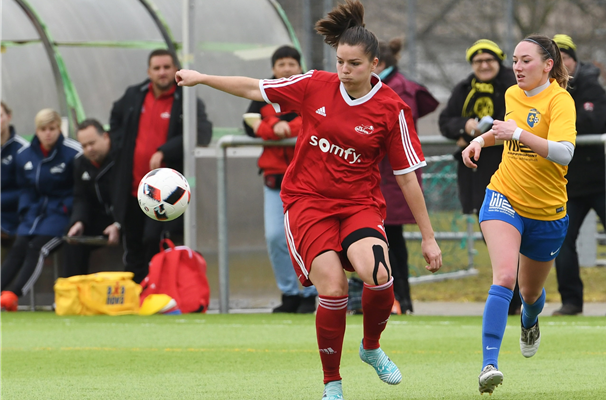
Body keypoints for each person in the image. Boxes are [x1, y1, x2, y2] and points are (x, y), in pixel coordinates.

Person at [175, 1, 442, 398]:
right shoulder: (315, 85)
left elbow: (407, 179)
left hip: (359, 204)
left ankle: (371, 348)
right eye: (340, 61)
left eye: (354, 64)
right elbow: (254, 88)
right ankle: (332, 382)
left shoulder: (392, 110)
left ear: (374, 64)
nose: (345, 70)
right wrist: (201, 77)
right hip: (308, 201)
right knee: (333, 288)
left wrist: (429, 236)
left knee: (380, 276)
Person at [461, 35, 576, 394]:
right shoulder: (512, 94)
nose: (517, 67)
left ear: (548, 65)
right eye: (514, 60)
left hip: (547, 211)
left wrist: (519, 133)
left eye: (525, 60)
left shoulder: (560, 100)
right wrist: (481, 140)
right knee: (505, 276)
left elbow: (563, 153)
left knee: (529, 293)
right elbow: (507, 133)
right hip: (503, 195)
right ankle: (488, 365)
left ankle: (529, 319)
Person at [552, 34, 606, 316]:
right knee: (562, 240)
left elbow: (590, 123)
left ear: (574, 61)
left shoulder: (591, 87)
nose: (562, 66)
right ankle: (571, 301)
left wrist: (556, 122)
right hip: (569, 183)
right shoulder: (544, 95)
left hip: (604, 178)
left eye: (565, 58)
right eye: (555, 60)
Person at [109, 49, 212, 284]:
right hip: (133, 186)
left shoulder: (186, 99)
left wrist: (165, 150)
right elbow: (114, 120)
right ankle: (137, 295)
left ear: (175, 69)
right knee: (133, 242)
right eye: (157, 68)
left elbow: (202, 133)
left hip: (165, 194)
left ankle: (158, 290)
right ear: (149, 72)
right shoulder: (134, 95)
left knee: (152, 239)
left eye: (167, 67)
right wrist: (120, 146)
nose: (162, 72)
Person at [438, 39, 522, 315]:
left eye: (489, 60)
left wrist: (482, 133)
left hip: (510, 171)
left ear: (499, 61)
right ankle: (510, 297)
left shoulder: (513, 86)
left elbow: (514, 120)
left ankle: (521, 296)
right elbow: (445, 121)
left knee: (517, 239)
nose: (484, 66)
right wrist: (465, 126)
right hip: (477, 176)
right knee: (494, 237)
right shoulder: (464, 89)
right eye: (478, 62)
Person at [243, 45, 318, 314]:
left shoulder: (310, 91)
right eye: (281, 64)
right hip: (275, 179)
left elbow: (314, 123)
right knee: (275, 236)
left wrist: (276, 127)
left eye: (291, 63)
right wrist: (274, 127)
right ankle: (289, 293)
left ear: (299, 67)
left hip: (308, 180)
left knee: (306, 237)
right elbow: (248, 124)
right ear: (273, 68)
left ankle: (310, 291)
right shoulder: (262, 93)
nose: (286, 68)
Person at [374, 38, 439, 314]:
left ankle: (400, 298)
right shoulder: (397, 85)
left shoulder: (397, 89)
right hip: (385, 174)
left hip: (391, 174)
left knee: (391, 238)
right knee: (387, 237)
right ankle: (397, 298)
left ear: (378, 63)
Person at [0, 109, 82, 311]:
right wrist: (25, 210)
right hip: (33, 215)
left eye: (52, 129)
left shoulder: (74, 152)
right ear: (36, 130)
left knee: (38, 247)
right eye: (43, 129)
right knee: (19, 245)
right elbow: (25, 188)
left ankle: (14, 294)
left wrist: (67, 210)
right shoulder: (25, 155)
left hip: (59, 215)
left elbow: (79, 190)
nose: (48, 134)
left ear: (58, 129)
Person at [65, 119, 121, 277]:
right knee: (73, 238)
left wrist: (118, 224)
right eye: (84, 146)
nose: (89, 149)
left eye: (92, 143)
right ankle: (73, 289)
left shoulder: (122, 159)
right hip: (100, 219)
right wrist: (79, 221)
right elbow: (80, 197)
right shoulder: (80, 163)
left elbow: (131, 198)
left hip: (125, 218)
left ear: (106, 137)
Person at [0, 101, 29, 240]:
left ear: (8, 117)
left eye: (0, 116)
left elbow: (28, 190)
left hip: (13, 218)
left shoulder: (23, 150)